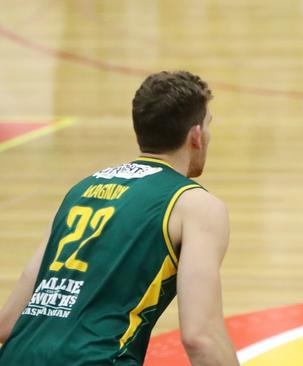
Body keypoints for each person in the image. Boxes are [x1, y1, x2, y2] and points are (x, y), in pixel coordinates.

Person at [0, 71, 239, 366]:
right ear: (196, 135)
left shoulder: (81, 191)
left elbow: (7, 323)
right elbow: (200, 337)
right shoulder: (195, 205)